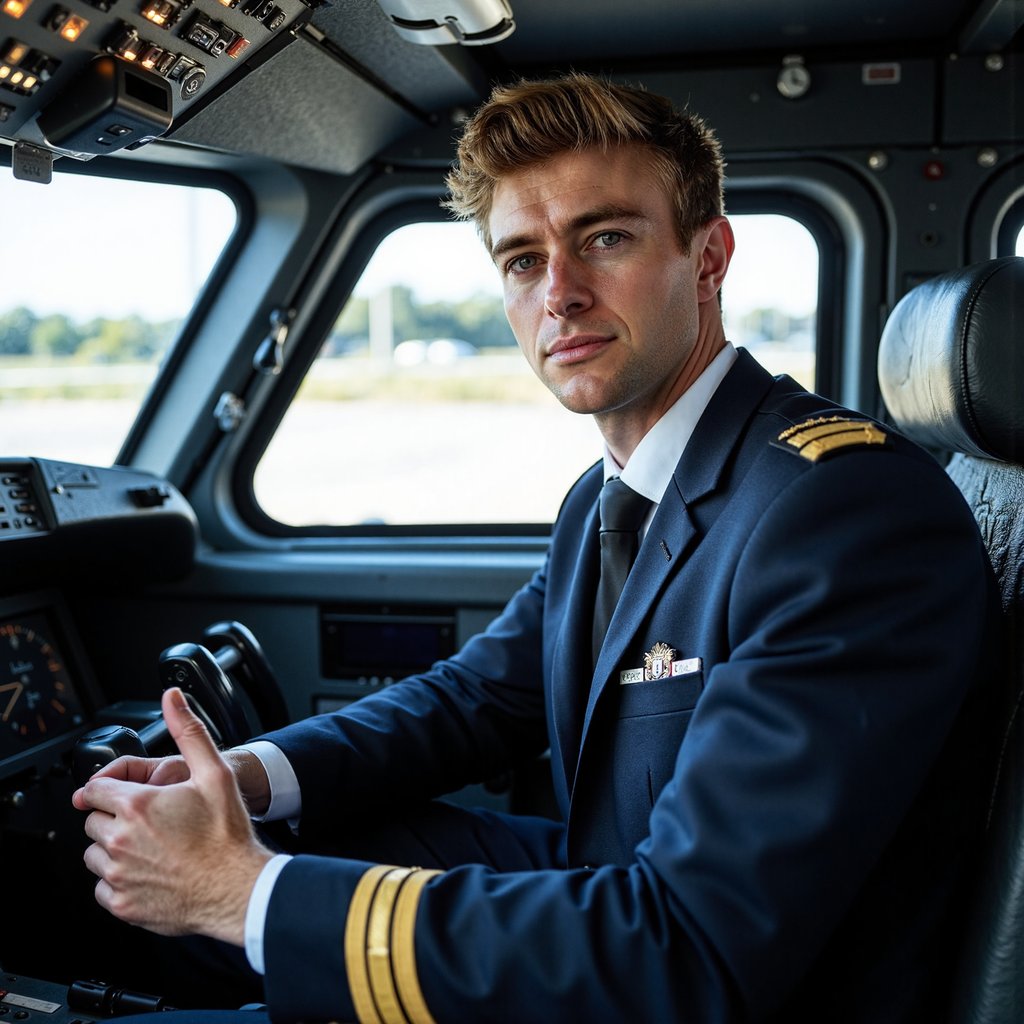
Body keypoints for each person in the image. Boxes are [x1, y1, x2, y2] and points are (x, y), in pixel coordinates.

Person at [73, 73, 999, 1023]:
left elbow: (689, 949)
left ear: (710, 256)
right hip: (621, 904)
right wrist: (245, 777)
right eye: (522, 259)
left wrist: (243, 895)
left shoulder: (843, 511)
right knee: (266, 846)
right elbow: (477, 697)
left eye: (605, 237)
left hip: (725, 983)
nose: (559, 292)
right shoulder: (615, 494)